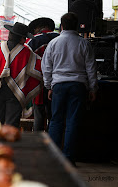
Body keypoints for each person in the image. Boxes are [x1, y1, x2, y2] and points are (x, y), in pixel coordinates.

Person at [42, 12, 98, 166]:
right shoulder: (84, 43)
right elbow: (91, 69)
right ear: (76, 25)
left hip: (58, 85)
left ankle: (53, 158)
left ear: (61, 26)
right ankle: (69, 158)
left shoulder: (54, 43)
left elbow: (46, 67)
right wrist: (93, 88)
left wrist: (49, 85)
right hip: (78, 86)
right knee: (72, 122)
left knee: (56, 120)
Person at [0, 22, 42, 128]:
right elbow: (39, 70)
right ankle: (10, 142)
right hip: (16, 92)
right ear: (22, 38)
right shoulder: (26, 52)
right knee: (12, 121)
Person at [26, 17, 60, 131]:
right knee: (54, 116)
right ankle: (54, 141)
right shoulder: (61, 37)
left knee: (39, 115)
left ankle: (38, 141)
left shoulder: (34, 40)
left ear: (37, 28)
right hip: (58, 81)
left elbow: (25, 60)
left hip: (38, 83)